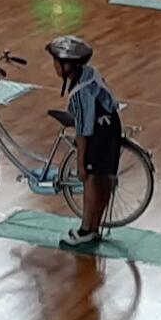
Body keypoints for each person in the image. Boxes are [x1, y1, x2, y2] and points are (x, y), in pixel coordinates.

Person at [45, 36, 122, 246]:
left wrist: (80, 164)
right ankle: (94, 227)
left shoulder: (80, 92)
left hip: (99, 132)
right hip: (111, 124)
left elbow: (84, 130)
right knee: (102, 178)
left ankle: (86, 229)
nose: (54, 66)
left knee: (90, 180)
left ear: (69, 65)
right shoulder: (89, 73)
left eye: (57, 62)